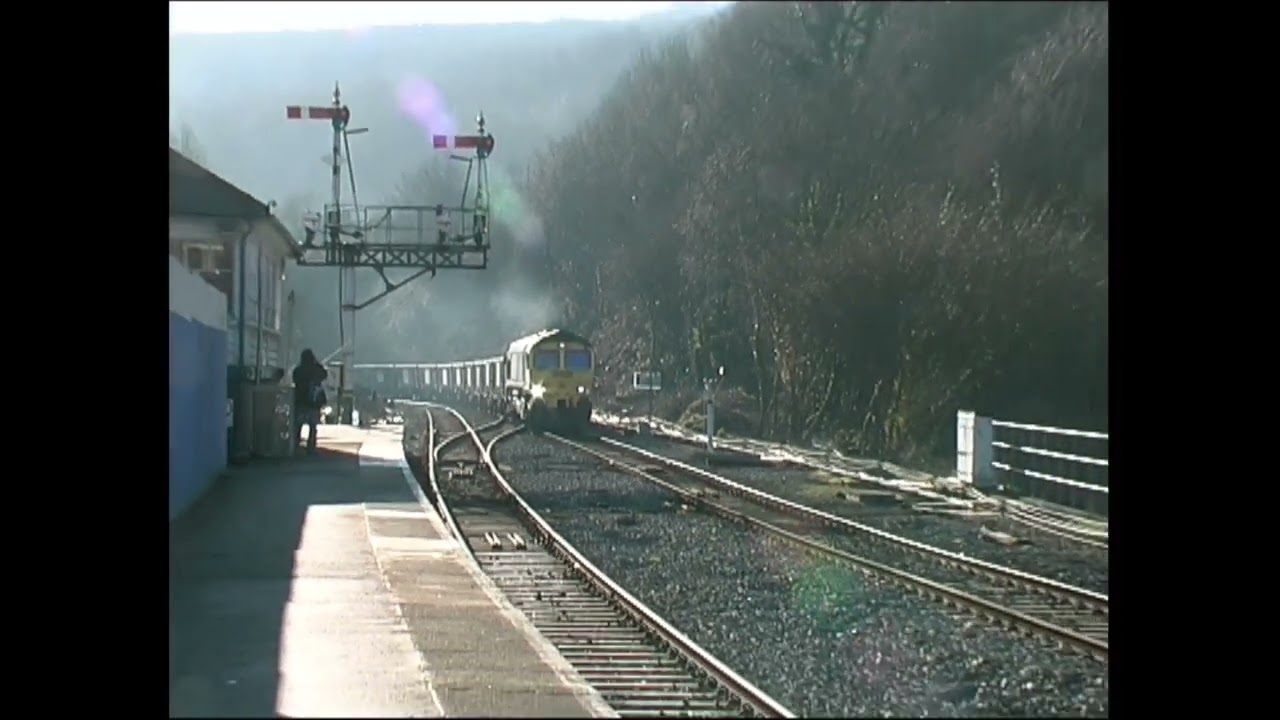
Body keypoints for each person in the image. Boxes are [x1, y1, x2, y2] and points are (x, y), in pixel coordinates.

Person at [292, 349, 328, 455]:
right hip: (313, 401)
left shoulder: (298, 370)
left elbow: (295, 379)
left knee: (298, 425)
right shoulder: (316, 369)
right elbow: (324, 374)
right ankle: (311, 447)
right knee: (313, 426)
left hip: (300, 401)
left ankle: (295, 444)